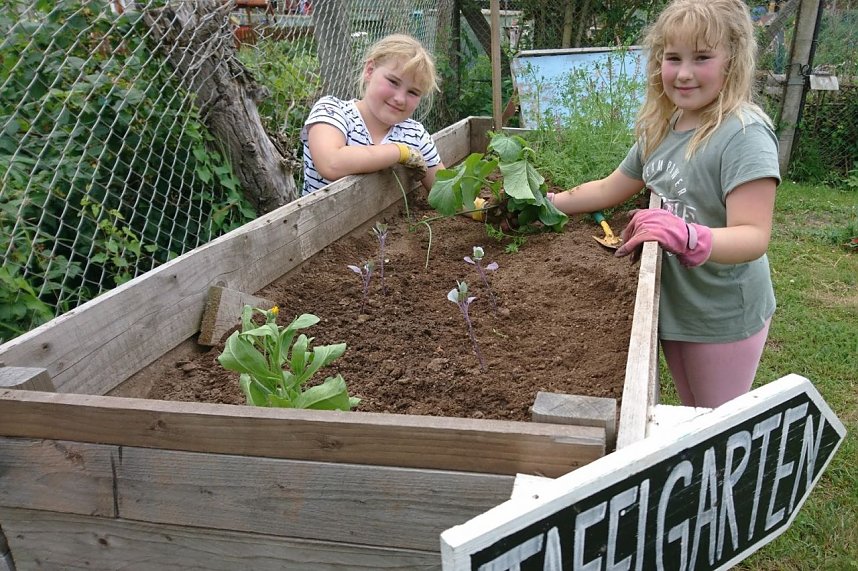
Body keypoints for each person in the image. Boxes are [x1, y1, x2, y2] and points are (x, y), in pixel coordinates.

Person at [549, 0, 780, 408]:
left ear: (733, 61)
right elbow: (607, 189)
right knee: (691, 413)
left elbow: (754, 236)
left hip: (721, 311)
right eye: (673, 58)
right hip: (677, 303)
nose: (684, 72)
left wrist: (686, 235)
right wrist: (547, 203)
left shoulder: (743, 134)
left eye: (702, 57)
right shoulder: (664, 127)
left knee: (712, 426)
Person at [301, 34, 444, 196]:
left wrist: (478, 209)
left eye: (413, 92)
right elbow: (331, 163)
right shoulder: (331, 111)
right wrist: (401, 152)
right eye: (393, 82)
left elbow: (444, 192)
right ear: (370, 70)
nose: (399, 99)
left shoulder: (415, 134)